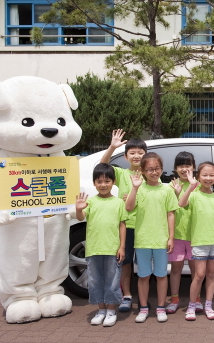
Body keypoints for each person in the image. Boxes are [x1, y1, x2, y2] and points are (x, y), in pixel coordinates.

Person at [126, 152, 178, 323]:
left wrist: (171, 237)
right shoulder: (139, 188)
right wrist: (134, 188)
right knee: (143, 275)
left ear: (162, 170)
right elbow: (129, 207)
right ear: (142, 171)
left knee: (162, 275)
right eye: (149, 169)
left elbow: (171, 214)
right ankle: (143, 307)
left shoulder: (167, 190)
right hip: (142, 240)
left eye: (157, 169)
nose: (154, 172)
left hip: (161, 240)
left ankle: (161, 307)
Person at [100, 129, 147, 313]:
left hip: (146, 226)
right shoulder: (120, 173)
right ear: (126, 156)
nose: (137, 156)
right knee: (125, 262)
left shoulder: (150, 174)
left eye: (141, 153)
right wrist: (112, 147)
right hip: (126, 226)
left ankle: (143, 297)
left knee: (143, 263)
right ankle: (126, 295)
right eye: (132, 153)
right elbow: (103, 166)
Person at [75, 163, 127, 327]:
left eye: (107, 181)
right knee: (96, 280)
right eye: (99, 181)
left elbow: (122, 225)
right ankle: (101, 310)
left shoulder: (119, 203)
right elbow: (80, 217)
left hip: (112, 249)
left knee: (112, 280)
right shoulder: (90, 202)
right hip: (94, 249)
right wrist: (78, 209)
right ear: (94, 183)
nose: (103, 185)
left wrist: (122, 247)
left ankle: (111, 310)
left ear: (113, 182)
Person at [179, 162, 214, 321]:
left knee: (211, 274)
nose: (208, 178)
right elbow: (181, 203)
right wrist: (191, 186)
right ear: (198, 177)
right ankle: (192, 306)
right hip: (199, 242)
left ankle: (208, 305)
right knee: (199, 275)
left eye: (212, 175)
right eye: (204, 175)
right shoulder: (194, 194)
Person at [166, 152, 204, 314]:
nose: (184, 169)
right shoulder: (171, 186)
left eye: (188, 165)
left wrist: (192, 184)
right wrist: (175, 193)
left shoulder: (200, 185)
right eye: (181, 166)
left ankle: (196, 299)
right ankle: (174, 299)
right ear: (175, 169)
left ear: (194, 167)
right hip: (178, 235)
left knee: (196, 271)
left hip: (196, 235)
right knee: (176, 268)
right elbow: (168, 208)